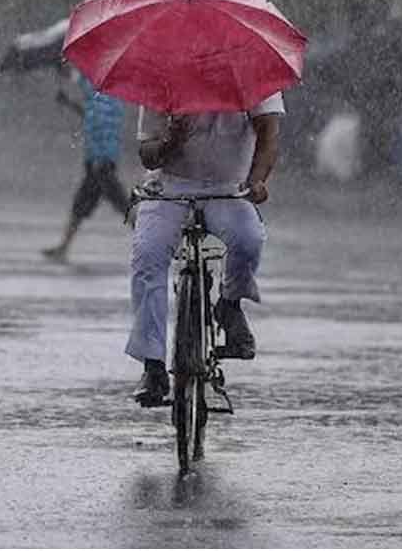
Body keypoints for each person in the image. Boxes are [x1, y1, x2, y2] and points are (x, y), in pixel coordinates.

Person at [128, 94, 284, 405]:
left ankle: (229, 304)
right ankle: (153, 364)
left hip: (228, 189)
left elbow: (269, 134)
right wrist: (170, 143)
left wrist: (257, 181)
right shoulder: (163, 77)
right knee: (147, 255)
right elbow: (147, 154)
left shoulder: (252, 74)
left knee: (249, 239)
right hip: (169, 187)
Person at [42, 68, 131, 261]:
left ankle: (155, 244)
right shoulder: (104, 96)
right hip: (98, 162)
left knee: (122, 206)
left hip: (100, 163)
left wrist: (100, 160)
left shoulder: (101, 98)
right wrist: (68, 103)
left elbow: (101, 126)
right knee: (84, 205)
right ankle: (63, 247)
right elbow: (91, 117)